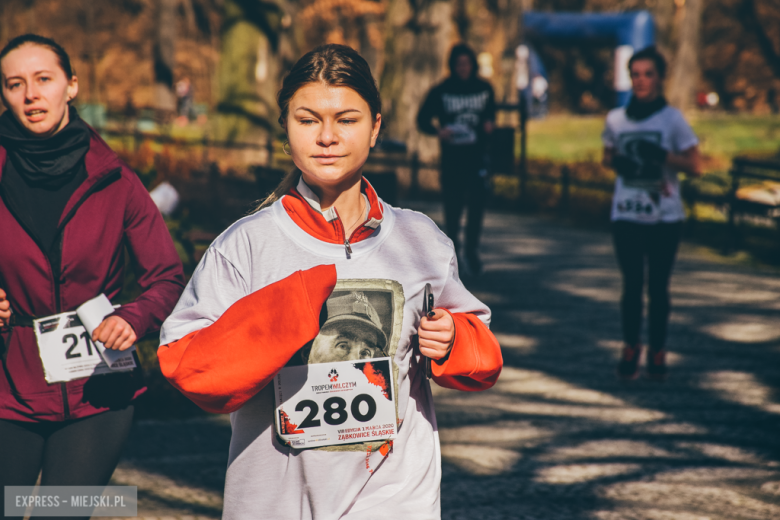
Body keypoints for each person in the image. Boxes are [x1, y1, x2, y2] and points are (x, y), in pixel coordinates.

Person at [158, 44, 503, 519]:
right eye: (307, 120)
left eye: (346, 119)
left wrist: (452, 340)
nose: (327, 137)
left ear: (376, 127)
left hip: (396, 497)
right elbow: (186, 366)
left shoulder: (421, 240)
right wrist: (285, 310)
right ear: (285, 128)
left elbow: (480, 350)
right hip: (276, 501)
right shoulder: (245, 245)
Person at [0, 33, 185, 508]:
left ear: (72, 85)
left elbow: (166, 275)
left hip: (97, 391)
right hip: (8, 389)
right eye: (14, 84)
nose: (30, 94)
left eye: (44, 79)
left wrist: (133, 318)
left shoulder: (116, 179)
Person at [602, 46, 701, 381]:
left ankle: (658, 352)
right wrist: (618, 162)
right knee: (631, 285)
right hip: (626, 213)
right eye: (636, 74)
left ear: (659, 78)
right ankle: (631, 348)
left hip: (665, 217)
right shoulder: (616, 119)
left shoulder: (672, 119)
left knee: (658, 288)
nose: (641, 80)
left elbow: (695, 165)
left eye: (648, 74)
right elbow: (608, 156)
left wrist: (662, 155)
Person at [417, 43, 496, 275]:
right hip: (452, 160)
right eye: (459, 64)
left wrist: (490, 125)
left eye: (467, 64)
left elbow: (490, 115)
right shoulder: (441, 91)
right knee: (453, 209)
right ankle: (454, 254)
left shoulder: (484, 89)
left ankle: (472, 250)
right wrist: (438, 132)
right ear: (453, 66)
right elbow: (422, 119)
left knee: (477, 207)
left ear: (473, 65)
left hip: (477, 159)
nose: (463, 68)